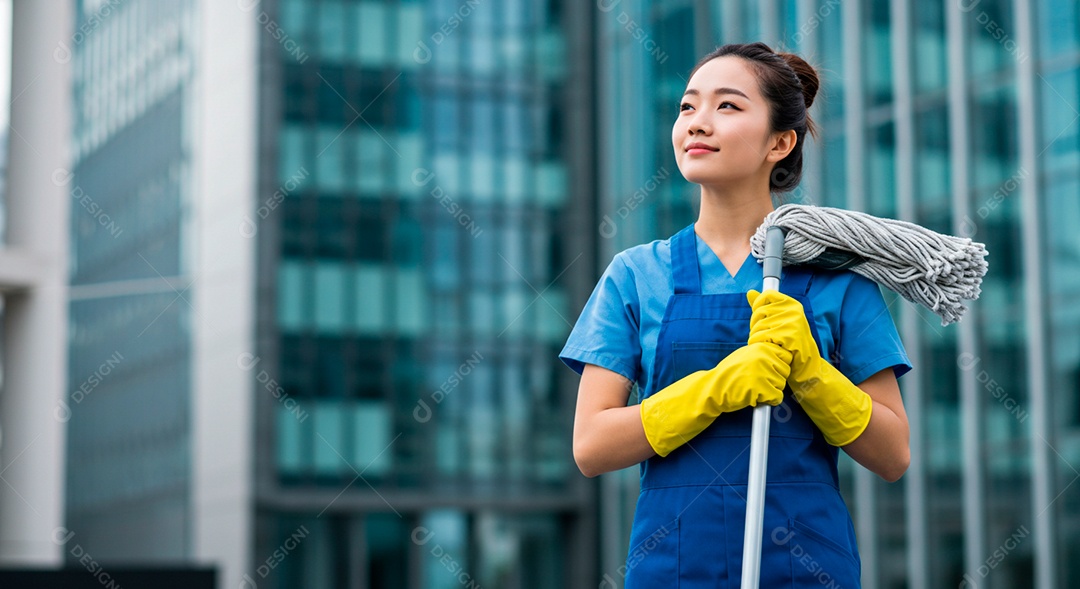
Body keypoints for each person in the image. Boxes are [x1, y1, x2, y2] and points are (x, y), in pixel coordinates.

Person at [559, 42, 913, 587]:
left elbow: (893, 454)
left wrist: (811, 373)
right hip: (673, 568)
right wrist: (715, 389)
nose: (698, 122)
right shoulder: (636, 275)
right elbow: (591, 446)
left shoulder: (837, 280)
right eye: (687, 106)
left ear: (780, 142)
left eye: (727, 105)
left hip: (806, 570)